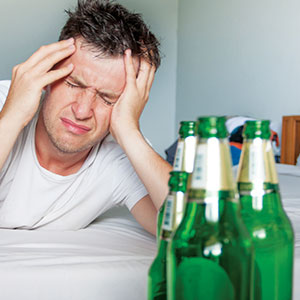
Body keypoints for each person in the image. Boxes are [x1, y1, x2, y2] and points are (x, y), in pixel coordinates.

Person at [0, 0, 172, 235]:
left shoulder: (122, 156)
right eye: (73, 84)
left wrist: (130, 133)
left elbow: (196, 232)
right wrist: (11, 119)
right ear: (48, 74)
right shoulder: (7, 101)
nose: (82, 111)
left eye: (107, 98)